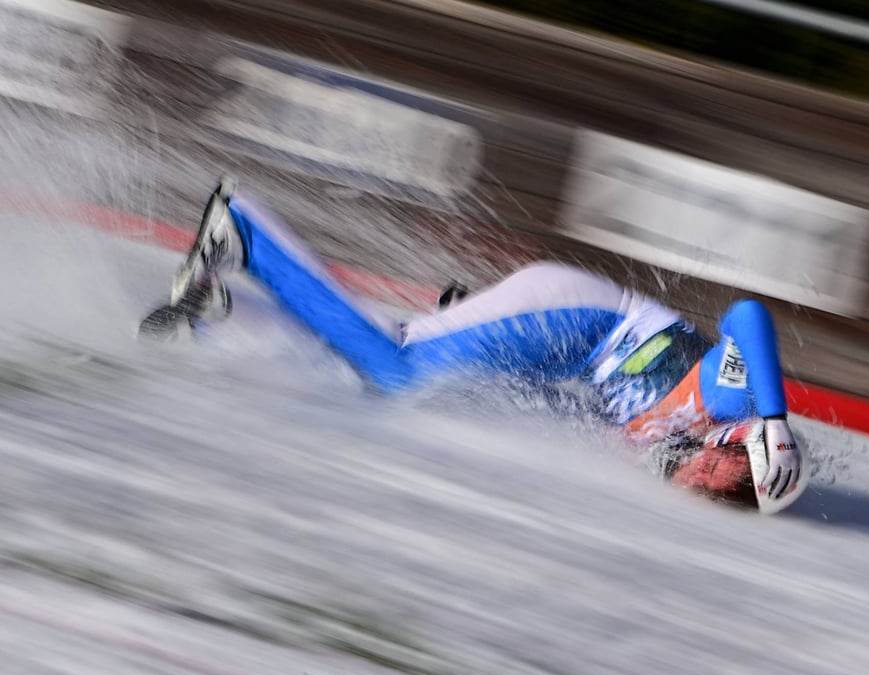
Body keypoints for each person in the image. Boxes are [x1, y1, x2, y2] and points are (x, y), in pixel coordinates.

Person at [144, 177, 809, 513]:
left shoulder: (666, 456)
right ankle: (246, 230)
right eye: (731, 480)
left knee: (421, 397)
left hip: (561, 347)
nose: (711, 489)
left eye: (730, 499)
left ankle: (224, 319)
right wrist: (775, 419)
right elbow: (748, 316)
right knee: (401, 372)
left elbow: (582, 410)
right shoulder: (733, 399)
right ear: (738, 446)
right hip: (577, 318)